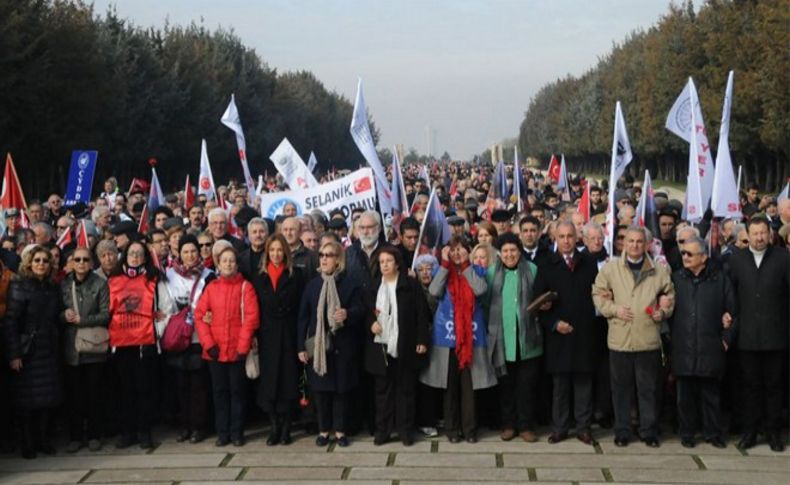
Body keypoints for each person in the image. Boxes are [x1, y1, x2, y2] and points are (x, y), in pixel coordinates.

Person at [592, 226, 675, 448]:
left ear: (647, 244)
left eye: (639, 241)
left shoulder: (659, 270)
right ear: (624, 243)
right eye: (630, 241)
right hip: (620, 339)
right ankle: (622, 430)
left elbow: (669, 295)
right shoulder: (611, 269)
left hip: (647, 339)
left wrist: (663, 311)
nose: (635, 245)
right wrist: (613, 309)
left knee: (647, 389)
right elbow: (597, 294)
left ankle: (648, 430)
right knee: (621, 389)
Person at [421, 236, 496, 443]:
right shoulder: (441, 271)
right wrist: (445, 264)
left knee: (469, 387)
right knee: (450, 386)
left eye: (460, 249)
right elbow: (434, 290)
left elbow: (480, 289)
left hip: (470, 336)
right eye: (452, 250)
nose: (456, 253)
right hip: (447, 337)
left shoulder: (477, 270)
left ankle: (470, 429)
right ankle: (452, 430)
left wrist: (465, 264)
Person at [534, 221, 601, 445]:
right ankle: (560, 428)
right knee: (560, 387)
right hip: (559, 336)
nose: (566, 241)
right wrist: (553, 323)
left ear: (577, 238)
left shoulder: (589, 263)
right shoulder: (546, 265)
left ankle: (583, 428)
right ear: (555, 238)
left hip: (584, 333)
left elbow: (599, 294)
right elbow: (537, 303)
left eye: (570, 236)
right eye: (561, 236)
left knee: (583, 384)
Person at [727, 217, 790, 452]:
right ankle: (750, 432)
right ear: (748, 234)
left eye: (763, 233)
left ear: (770, 234)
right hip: (747, 336)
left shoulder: (784, 259)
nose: (760, 237)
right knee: (750, 387)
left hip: (776, 336)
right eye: (755, 233)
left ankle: (773, 432)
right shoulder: (737, 260)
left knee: (774, 387)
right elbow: (730, 293)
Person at [297, 240, 366, 448]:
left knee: (341, 393)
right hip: (320, 349)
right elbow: (303, 317)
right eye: (322, 255)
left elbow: (361, 310)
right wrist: (301, 346)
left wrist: (347, 314)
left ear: (338, 260)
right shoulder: (313, 285)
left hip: (342, 347)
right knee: (321, 394)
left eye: (329, 255)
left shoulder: (350, 282)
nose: (324, 259)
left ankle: (341, 432)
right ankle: (323, 431)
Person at [107, 239, 175, 450]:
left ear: (145, 257)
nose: (135, 257)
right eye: (131, 253)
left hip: (146, 343)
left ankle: (145, 432)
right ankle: (128, 432)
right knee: (124, 390)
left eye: (139, 254)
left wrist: (156, 329)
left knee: (145, 390)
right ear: (125, 256)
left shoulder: (155, 279)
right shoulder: (114, 280)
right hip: (121, 344)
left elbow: (167, 308)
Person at [669, 236, 735, 449]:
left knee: (711, 395)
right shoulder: (676, 278)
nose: (685, 257)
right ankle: (687, 433)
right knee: (685, 397)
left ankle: (712, 433)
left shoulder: (720, 279)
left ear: (703, 257)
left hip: (710, 346)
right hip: (683, 346)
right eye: (683, 253)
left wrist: (725, 340)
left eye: (690, 253)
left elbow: (733, 312)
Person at [194, 242, 260, 447]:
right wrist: (208, 343)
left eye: (232, 261)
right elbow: (199, 316)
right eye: (225, 261)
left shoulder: (245, 287)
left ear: (237, 265)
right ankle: (222, 433)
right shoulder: (211, 288)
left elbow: (251, 318)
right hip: (215, 352)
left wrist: (242, 346)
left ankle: (237, 432)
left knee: (238, 393)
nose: (229, 264)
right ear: (218, 264)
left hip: (237, 352)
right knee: (219, 394)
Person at [364, 247, 430, 446]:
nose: (385, 265)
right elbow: (366, 311)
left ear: (397, 263)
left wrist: (421, 340)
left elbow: (422, 314)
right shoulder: (375, 286)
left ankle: (405, 430)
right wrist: (371, 323)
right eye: (382, 261)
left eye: (388, 261)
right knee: (382, 393)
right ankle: (383, 430)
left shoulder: (410, 284)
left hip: (406, 345)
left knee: (406, 391)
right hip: (381, 347)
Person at [3, 245, 63, 459]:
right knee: (27, 401)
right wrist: (14, 354)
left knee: (46, 399)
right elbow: (11, 321)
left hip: (49, 348)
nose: (41, 264)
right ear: (29, 262)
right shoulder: (19, 285)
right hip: (28, 350)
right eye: (37, 260)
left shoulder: (52, 286)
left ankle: (43, 441)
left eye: (45, 261)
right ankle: (27, 444)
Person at [487, 232, 543, 443]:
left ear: (520, 252)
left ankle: (526, 425)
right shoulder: (491, 273)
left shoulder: (533, 270)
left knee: (527, 386)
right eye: (505, 251)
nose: (510, 255)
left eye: (513, 250)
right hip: (502, 340)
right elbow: (485, 305)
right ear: (499, 254)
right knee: (506, 386)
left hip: (527, 338)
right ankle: (508, 424)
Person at [251, 234, 304, 446]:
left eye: (279, 250)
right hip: (267, 336)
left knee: (288, 381)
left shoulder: (296, 274)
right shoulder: (259, 277)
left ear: (286, 252)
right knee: (270, 382)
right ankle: (274, 426)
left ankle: (286, 427)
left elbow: (300, 307)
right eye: (272, 250)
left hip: (289, 335)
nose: (275, 254)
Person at [164, 235, 214, 444]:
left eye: (193, 251)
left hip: (198, 336)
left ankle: (198, 426)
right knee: (180, 385)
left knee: (198, 385)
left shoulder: (209, 275)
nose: (190, 255)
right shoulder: (168, 275)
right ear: (179, 253)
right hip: (178, 336)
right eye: (185, 252)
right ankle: (184, 425)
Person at [60, 247, 110, 453]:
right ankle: (75, 436)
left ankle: (94, 435)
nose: (81, 263)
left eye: (85, 259)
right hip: (71, 347)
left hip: (93, 348)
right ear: (71, 262)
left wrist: (84, 320)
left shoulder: (100, 284)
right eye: (77, 259)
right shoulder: (64, 284)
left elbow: (106, 314)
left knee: (94, 395)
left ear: (91, 262)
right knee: (75, 396)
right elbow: (56, 312)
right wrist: (64, 315)